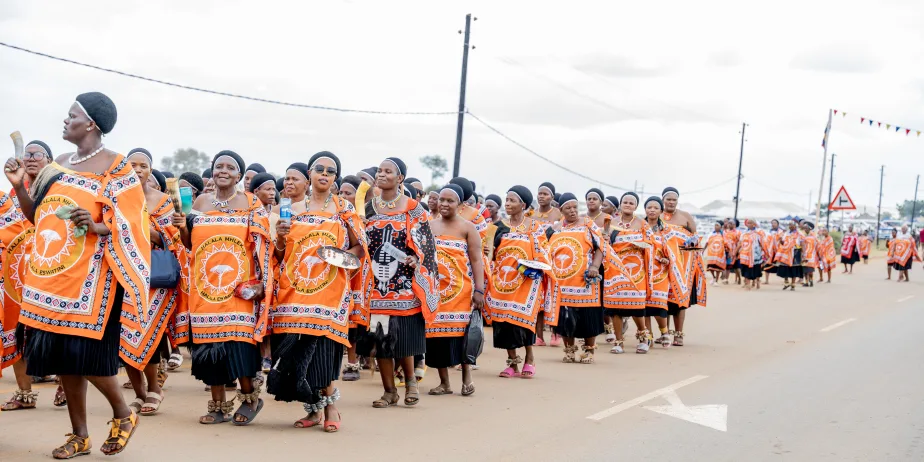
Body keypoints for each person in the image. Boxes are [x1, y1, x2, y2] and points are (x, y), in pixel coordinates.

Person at [6, 92, 150, 457]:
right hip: (51, 277)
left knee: (83, 358)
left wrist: (98, 226)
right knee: (61, 361)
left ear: (92, 124)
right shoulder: (59, 164)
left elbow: (134, 223)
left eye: (72, 115)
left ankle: (123, 414)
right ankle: (79, 435)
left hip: (92, 280)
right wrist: (20, 185)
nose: (65, 120)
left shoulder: (117, 168)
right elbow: (37, 216)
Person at [269, 156, 367, 432]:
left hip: (330, 287)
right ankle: (312, 409)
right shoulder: (289, 208)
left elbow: (359, 247)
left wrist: (342, 257)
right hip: (294, 288)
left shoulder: (343, 209)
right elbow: (279, 254)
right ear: (310, 173)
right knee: (298, 350)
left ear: (335, 177)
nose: (324, 174)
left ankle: (331, 407)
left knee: (324, 348)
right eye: (319, 169)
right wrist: (280, 237)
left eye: (331, 171)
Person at [176, 150, 273, 426]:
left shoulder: (251, 203)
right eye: (219, 166)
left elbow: (263, 244)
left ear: (239, 174)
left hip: (239, 288)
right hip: (205, 286)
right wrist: (182, 226)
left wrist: (262, 283)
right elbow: (189, 243)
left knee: (239, 347)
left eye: (230, 167)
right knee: (209, 350)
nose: (223, 171)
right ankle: (218, 406)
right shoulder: (200, 202)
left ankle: (250, 399)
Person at [362, 157, 438, 408]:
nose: (381, 175)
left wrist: (417, 258)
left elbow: (427, 244)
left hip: (405, 283)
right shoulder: (369, 208)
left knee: (404, 339)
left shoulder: (414, 208)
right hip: (377, 285)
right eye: (379, 171)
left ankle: (411, 382)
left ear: (400, 178)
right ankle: (389, 391)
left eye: (388, 171)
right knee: (381, 338)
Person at [121, 148, 189, 417]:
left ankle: (154, 389)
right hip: (123, 273)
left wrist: (141, 227)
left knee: (144, 333)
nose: (138, 170)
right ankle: (139, 394)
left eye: (143, 166)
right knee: (124, 336)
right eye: (132, 164)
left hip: (155, 278)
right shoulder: (116, 196)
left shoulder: (162, 201)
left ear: (150, 170)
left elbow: (172, 239)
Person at [0, 139, 59, 411]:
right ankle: (25, 393)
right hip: (17, 273)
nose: (31, 158)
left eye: (38, 154)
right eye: (27, 154)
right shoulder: (11, 194)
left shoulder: (59, 188)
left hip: (53, 269)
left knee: (54, 331)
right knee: (14, 330)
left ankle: (67, 383)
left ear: (50, 160)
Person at [548, 193, 629, 364]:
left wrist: (594, 267)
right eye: (568, 208)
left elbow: (601, 247)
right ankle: (569, 350)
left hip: (585, 280)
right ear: (561, 210)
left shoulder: (588, 224)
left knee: (587, 316)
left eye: (575, 207)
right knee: (565, 317)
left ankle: (589, 350)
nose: (572, 211)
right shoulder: (555, 229)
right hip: (562, 281)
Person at [487, 186, 558, 378]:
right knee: (503, 321)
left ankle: (529, 358)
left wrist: (534, 266)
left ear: (523, 205)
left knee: (523, 321)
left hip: (527, 281)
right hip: (502, 282)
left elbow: (545, 251)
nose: (508, 204)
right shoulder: (496, 227)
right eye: (507, 200)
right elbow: (489, 254)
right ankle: (512, 363)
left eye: (512, 200)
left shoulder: (535, 227)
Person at [425, 184, 485, 396]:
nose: (444, 204)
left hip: (461, 291)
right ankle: (444, 383)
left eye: (450, 201)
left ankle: (467, 377)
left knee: (462, 336)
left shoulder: (468, 228)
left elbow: (477, 260)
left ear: (460, 205)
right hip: (434, 292)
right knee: (436, 338)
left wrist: (479, 290)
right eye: (441, 199)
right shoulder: (429, 226)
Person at [602, 192, 651, 354]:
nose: (628, 205)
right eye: (625, 202)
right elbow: (604, 242)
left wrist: (641, 244)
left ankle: (643, 338)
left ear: (636, 206)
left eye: (631, 203)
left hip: (636, 270)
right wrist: (605, 239)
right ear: (620, 205)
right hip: (615, 268)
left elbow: (651, 242)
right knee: (615, 307)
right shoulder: (610, 222)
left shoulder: (642, 223)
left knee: (636, 306)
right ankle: (619, 342)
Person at [660, 187, 706, 347]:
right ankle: (664, 333)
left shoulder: (685, 216)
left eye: (674, 200)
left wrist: (690, 242)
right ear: (663, 200)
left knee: (680, 300)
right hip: (663, 264)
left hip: (683, 265)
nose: (671, 202)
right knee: (663, 299)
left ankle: (678, 334)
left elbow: (695, 236)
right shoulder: (657, 215)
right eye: (668, 199)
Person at [527, 182, 561, 347]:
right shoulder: (531, 215)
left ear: (552, 197)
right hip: (536, 260)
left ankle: (556, 333)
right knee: (539, 299)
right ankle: (539, 336)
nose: (541, 196)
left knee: (553, 297)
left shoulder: (559, 214)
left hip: (554, 260)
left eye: (545, 194)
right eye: (540, 193)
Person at [642, 197, 672, 348]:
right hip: (642, 271)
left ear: (661, 211)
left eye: (655, 208)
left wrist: (667, 258)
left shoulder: (666, 230)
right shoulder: (639, 226)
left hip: (660, 273)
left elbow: (672, 251)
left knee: (659, 305)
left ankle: (664, 331)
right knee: (643, 307)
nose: (652, 210)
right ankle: (648, 337)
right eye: (649, 207)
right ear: (645, 209)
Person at [774, 221, 803, 291]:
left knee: (794, 268)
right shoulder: (786, 233)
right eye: (789, 225)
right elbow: (783, 243)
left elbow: (802, 244)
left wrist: (802, 254)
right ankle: (786, 282)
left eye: (791, 225)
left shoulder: (799, 234)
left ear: (795, 226)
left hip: (795, 252)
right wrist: (781, 241)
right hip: (786, 253)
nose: (790, 226)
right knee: (785, 267)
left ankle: (793, 284)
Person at [737, 219, 765, 290]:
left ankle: (757, 281)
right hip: (745, 255)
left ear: (754, 224)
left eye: (750, 223)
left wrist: (764, 253)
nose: (748, 224)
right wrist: (735, 252)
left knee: (756, 269)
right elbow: (740, 243)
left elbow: (762, 244)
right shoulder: (744, 233)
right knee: (746, 269)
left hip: (755, 255)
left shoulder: (758, 234)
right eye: (748, 223)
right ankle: (747, 283)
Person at [704, 221, 726, 286]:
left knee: (718, 268)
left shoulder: (723, 234)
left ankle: (716, 280)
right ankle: (713, 277)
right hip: (712, 253)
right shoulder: (711, 234)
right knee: (711, 267)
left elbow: (726, 243)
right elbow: (707, 242)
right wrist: (703, 250)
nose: (716, 227)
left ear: (721, 227)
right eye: (715, 225)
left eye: (717, 225)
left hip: (720, 253)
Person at [764, 219, 782, 285]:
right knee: (767, 265)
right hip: (770, 251)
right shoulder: (769, 232)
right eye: (772, 223)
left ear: (778, 224)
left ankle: (786, 280)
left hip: (778, 251)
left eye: (774, 223)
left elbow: (782, 241)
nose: (773, 224)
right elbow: (766, 240)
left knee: (782, 266)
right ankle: (766, 280)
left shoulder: (781, 232)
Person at [800, 221, 818, 287]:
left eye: (806, 228)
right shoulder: (802, 235)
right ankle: (806, 282)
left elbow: (817, 245)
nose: (805, 229)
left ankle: (811, 280)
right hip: (804, 255)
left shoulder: (813, 236)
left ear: (810, 228)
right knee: (805, 269)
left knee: (810, 270)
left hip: (811, 255)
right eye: (804, 228)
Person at [723, 219, 740, 285]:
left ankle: (739, 278)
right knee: (727, 265)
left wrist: (737, 252)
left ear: (734, 225)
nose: (729, 225)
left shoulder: (737, 232)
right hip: (726, 250)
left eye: (731, 223)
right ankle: (726, 279)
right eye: (729, 223)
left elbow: (739, 243)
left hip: (734, 251)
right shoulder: (725, 232)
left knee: (736, 267)